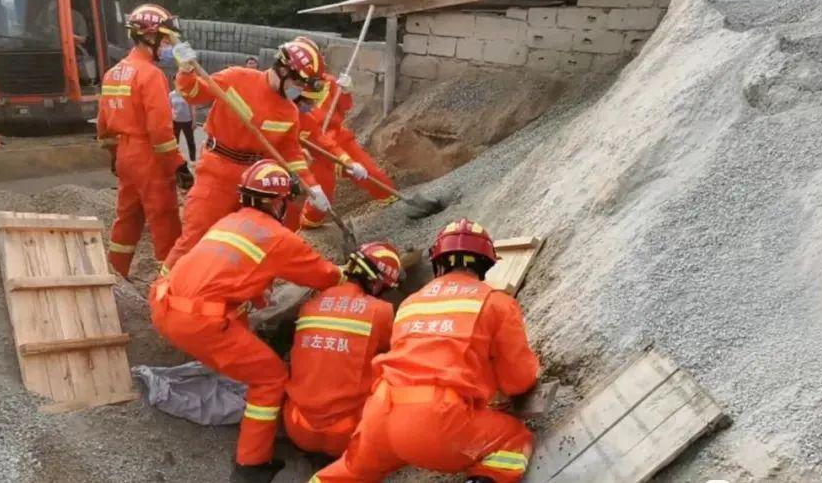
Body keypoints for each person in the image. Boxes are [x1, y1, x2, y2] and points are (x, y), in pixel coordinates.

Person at [150, 159, 344, 483]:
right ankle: (251, 465)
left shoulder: (229, 221)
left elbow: (224, 268)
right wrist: (355, 273)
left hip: (164, 304)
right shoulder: (279, 239)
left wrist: (255, 294)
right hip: (200, 322)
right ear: (279, 201)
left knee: (241, 326)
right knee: (270, 378)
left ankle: (235, 377)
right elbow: (325, 276)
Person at [312, 219, 541, 483]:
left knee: (347, 472)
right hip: (436, 421)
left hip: (379, 415)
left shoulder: (410, 303)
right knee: (513, 440)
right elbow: (518, 381)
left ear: (438, 263)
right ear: (486, 264)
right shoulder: (496, 302)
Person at [160, 40, 332, 272]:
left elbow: (290, 154)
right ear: (282, 69)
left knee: (242, 245)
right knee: (195, 238)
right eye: (299, 83)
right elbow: (194, 93)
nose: (299, 90)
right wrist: (186, 70)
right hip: (216, 172)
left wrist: (313, 187)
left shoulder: (289, 112)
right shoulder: (237, 78)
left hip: (253, 183)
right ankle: (163, 288)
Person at [96, 3, 194, 278]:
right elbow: (161, 132)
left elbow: (103, 124)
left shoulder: (113, 73)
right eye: (164, 40)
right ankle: (171, 282)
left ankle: (115, 274)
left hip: (125, 155)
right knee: (164, 219)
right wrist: (178, 166)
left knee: (127, 216)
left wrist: (115, 155)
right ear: (148, 37)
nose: (167, 46)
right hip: (148, 156)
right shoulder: (151, 75)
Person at [284, 242, 399, 460]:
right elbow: (394, 354)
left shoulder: (310, 304)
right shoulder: (380, 311)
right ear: (376, 284)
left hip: (296, 427)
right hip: (347, 435)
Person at [291, 37, 399, 229]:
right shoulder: (292, 92)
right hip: (313, 148)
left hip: (338, 137)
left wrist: (347, 91)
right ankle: (308, 230)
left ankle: (396, 211)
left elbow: (345, 107)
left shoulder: (330, 83)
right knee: (322, 197)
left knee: (372, 173)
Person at [169, 88, 197, 161]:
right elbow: (169, 107)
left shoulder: (188, 94)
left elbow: (193, 108)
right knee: (175, 142)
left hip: (187, 122)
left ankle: (193, 160)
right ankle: (175, 160)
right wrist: (171, 117)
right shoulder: (171, 95)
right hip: (175, 122)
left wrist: (194, 122)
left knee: (190, 141)